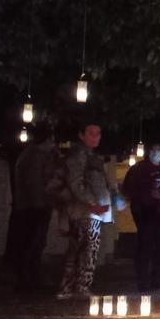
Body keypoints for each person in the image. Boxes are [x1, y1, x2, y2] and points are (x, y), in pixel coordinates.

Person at [57, 121, 120, 298]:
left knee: (86, 248)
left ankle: (76, 286)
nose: (95, 137)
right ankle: (74, 286)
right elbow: (75, 182)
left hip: (94, 211)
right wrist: (91, 203)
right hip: (85, 210)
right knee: (84, 248)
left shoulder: (92, 157)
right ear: (81, 135)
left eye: (98, 133)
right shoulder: (79, 156)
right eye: (91, 133)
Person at [6, 126, 60, 293]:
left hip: (33, 204)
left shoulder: (31, 156)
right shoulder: (35, 157)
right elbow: (38, 182)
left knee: (33, 242)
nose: (53, 143)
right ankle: (28, 279)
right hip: (35, 206)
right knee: (32, 242)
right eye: (51, 140)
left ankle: (29, 278)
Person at [122, 143, 160, 290]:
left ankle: (157, 278)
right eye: (155, 149)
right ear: (149, 152)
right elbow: (128, 190)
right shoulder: (138, 169)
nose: (158, 152)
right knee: (146, 245)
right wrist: (149, 194)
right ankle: (143, 281)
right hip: (146, 210)